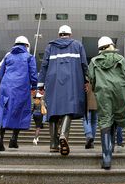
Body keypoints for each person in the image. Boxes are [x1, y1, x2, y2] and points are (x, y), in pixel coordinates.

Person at [38, 25, 88, 156]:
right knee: (69, 107)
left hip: (53, 81)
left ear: (59, 34)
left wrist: (40, 84)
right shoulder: (77, 45)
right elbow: (84, 64)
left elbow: (44, 65)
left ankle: (53, 144)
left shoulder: (50, 46)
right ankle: (63, 135)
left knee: (53, 110)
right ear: (70, 34)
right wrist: (87, 80)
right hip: (73, 81)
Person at [88, 36, 125, 169]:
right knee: (115, 118)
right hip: (121, 91)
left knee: (105, 119)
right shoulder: (121, 59)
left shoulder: (94, 61)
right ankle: (111, 147)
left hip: (103, 92)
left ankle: (106, 157)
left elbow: (91, 78)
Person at [0, 35, 38, 151]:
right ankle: (14, 139)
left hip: (6, 87)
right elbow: (33, 74)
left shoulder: (8, 56)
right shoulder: (29, 57)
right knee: (20, 111)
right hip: (21, 88)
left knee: (3, 110)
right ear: (26, 45)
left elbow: (1, 73)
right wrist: (34, 87)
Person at [82, 83, 98, 149]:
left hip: (87, 96)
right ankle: (91, 142)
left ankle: (89, 135)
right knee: (94, 121)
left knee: (86, 119)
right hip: (97, 97)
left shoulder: (85, 74)